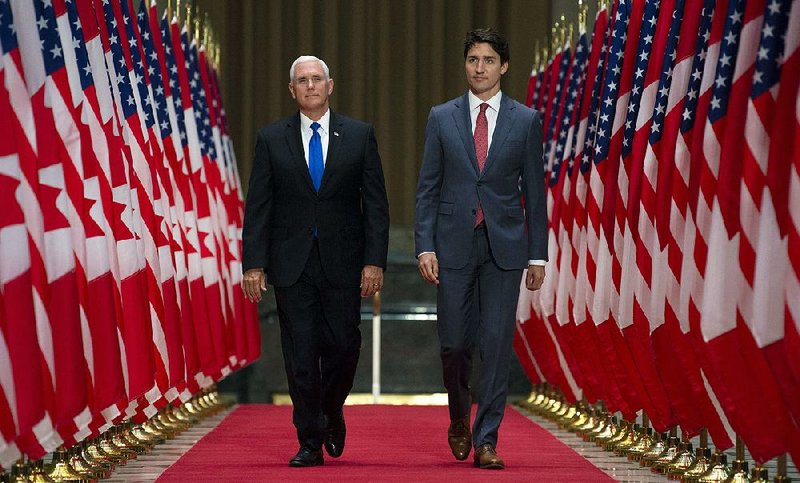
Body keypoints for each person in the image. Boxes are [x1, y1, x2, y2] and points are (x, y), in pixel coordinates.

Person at [241, 56, 390, 467]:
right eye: (302, 81)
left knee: (344, 345)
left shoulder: (359, 136)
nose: (310, 86)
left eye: (316, 79)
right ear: (292, 91)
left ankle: (331, 409)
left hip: (344, 262)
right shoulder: (272, 139)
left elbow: (375, 205)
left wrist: (374, 261)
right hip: (291, 264)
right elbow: (259, 206)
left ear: (330, 85)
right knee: (300, 353)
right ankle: (309, 438)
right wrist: (254, 263)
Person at [414, 28, 547, 470]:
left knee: (494, 343)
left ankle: (487, 438)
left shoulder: (525, 120)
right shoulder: (442, 117)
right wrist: (424, 246)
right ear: (465, 64)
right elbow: (427, 188)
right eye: (473, 59)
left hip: (505, 247)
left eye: (489, 60)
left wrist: (538, 254)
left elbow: (535, 191)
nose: (480, 68)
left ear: (503, 66)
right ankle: (458, 417)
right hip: (452, 245)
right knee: (454, 343)